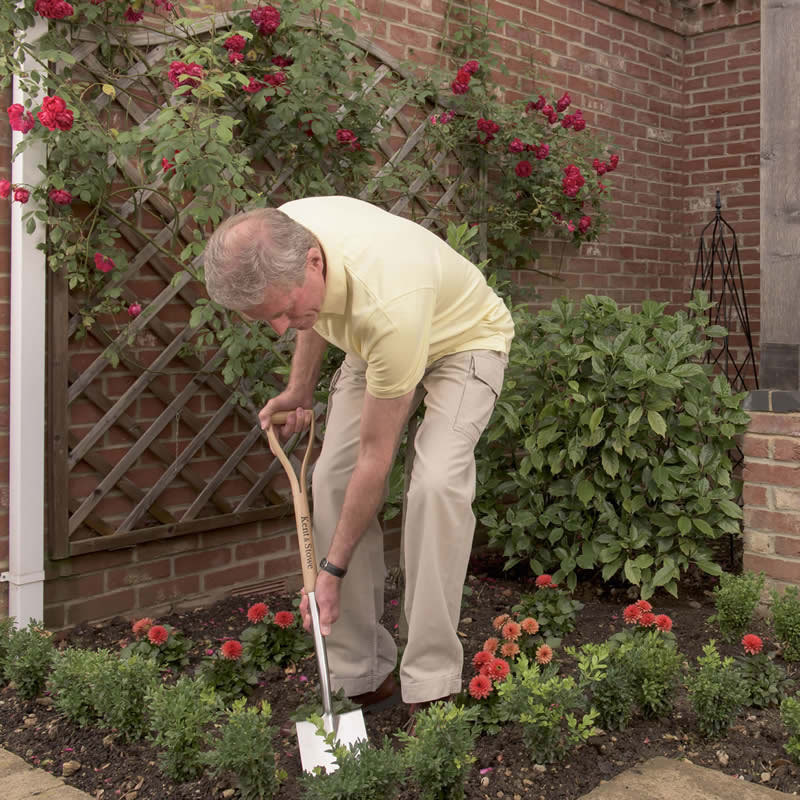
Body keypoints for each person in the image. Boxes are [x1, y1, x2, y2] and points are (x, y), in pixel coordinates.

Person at [203, 195, 514, 720]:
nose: (280, 327)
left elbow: (377, 456)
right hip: (378, 341)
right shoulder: (288, 231)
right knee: (327, 482)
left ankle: (432, 682)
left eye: (282, 310)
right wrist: (300, 389)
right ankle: (361, 674)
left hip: (462, 339)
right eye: (266, 317)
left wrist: (331, 571)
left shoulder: (386, 300)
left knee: (436, 485)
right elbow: (310, 321)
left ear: (314, 263)